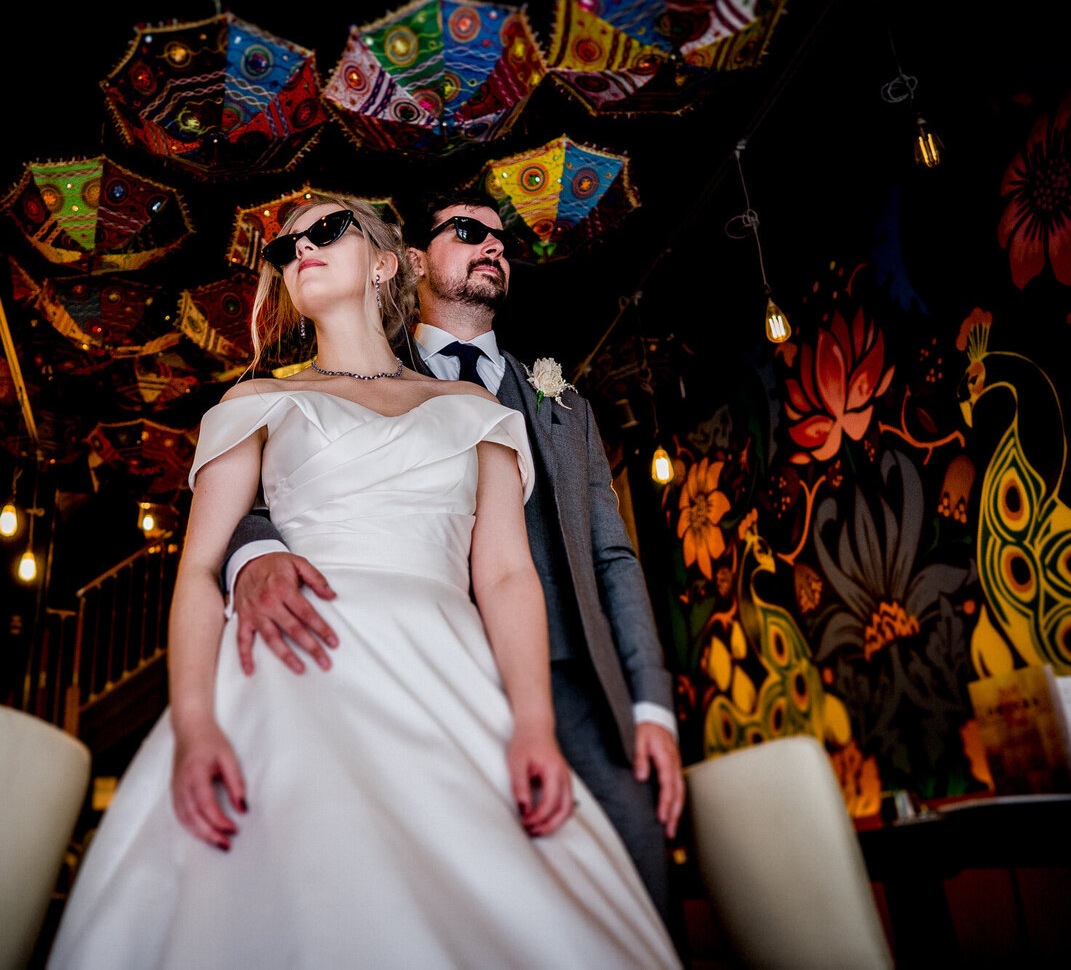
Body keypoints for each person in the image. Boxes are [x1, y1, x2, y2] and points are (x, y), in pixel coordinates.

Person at [47, 199, 679, 969]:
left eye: (326, 230)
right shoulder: (256, 401)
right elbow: (201, 570)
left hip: (452, 673)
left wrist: (533, 724)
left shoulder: (476, 410)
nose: (300, 248)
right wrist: (195, 723)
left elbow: (510, 574)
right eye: (286, 247)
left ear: (385, 262)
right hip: (297, 670)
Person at [223, 189, 684, 923]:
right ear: (409, 260)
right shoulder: (363, 369)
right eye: (469, 231)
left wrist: (650, 702)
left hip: (574, 681)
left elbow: (614, 556)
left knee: (633, 879)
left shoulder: (565, 401)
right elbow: (262, 497)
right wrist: (256, 555)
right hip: (419, 672)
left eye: (501, 238)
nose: (493, 245)